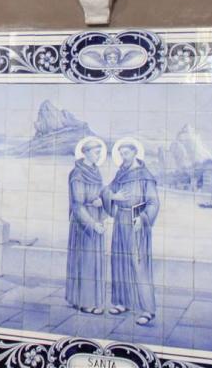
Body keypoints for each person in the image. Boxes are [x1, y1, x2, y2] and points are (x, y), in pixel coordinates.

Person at [102, 138, 160, 325]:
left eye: (126, 153)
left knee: (138, 262)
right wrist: (113, 196)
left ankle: (147, 310)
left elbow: (153, 202)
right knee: (119, 260)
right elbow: (106, 191)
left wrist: (143, 218)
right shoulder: (121, 173)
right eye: (121, 154)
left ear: (135, 153)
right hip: (121, 219)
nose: (123, 157)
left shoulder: (145, 176)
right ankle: (122, 302)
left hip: (137, 221)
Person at [67, 137, 108, 314]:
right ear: (86, 153)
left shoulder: (95, 171)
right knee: (85, 261)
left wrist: (102, 201)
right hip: (83, 223)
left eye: (100, 152)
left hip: (96, 217)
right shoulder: (77, 174)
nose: (99, 156)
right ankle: (84, 301)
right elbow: (77, 204)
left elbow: (100, 194)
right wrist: (92, 224)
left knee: (94, 260)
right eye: (97, 152)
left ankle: (92, 299)